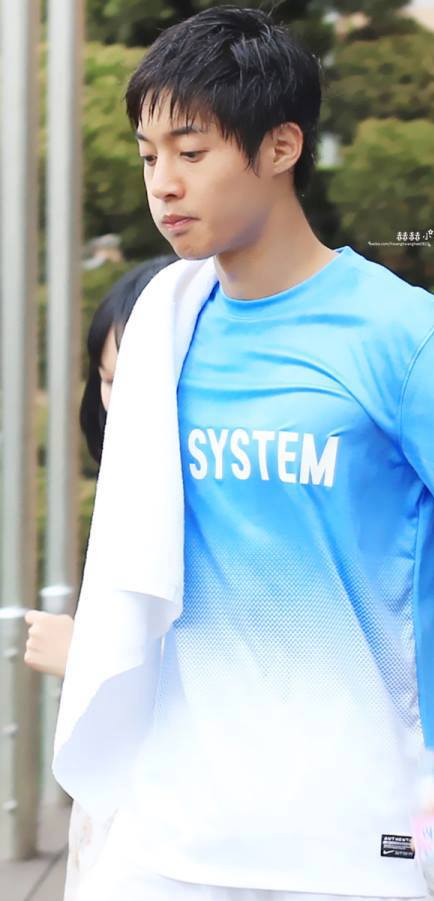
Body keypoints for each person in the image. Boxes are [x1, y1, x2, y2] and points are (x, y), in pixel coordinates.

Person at [67, 6, 434, 901]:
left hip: (361, 831)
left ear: (281, 146)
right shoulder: (164, 333)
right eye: (148, 157)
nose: (163, 185)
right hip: (174, 829)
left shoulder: (406, 336)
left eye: (191, 152)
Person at [23, 255, 175, 899]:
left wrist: (81, 657)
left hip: (175, 830)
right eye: (109, 381)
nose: (117, 404)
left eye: (136, 382)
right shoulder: (131, 485)